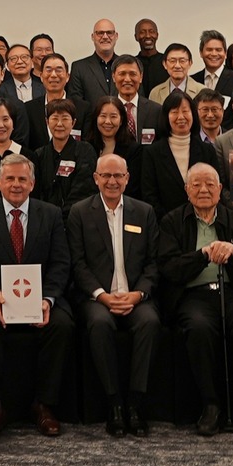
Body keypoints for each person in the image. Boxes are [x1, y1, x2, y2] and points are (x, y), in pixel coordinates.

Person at [0, 153, 74, 442]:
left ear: (32, 184)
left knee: (62, 324)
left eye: (22, 179)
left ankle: (44, 405)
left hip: (41, 297)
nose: (16, 184)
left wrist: (47, 299)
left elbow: (61, 263)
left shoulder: (51, 214)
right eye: (10, 178)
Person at [157, 163, 233, 436]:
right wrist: (203, 255)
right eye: (196, 184)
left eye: (209, 184)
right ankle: (210, 404)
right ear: (186, 190)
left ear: (220, 189)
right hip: (194, 295)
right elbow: (169, 268)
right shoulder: (172, 222)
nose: (203, 190)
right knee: (199, 328)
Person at [66, 153, 160, 437]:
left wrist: (138, 294)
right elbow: (77, 264)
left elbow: (153, 263)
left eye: (118, 175)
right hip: (97, 297)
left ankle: (135, 402)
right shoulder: (80, 212)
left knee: (150, 322)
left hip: (135, 296)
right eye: (106, 175)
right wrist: (101, 295)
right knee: (99, 323)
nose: (112, 181)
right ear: (96, 178)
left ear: (127, 178)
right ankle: (114, 403)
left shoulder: (144, 212)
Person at [138, 91, 226, 216]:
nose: (181, 117)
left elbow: (217, 189)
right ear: (166, 116)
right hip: (165, 222)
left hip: (203, 219)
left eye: (185, 111)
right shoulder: (152, 153)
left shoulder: (207, 150)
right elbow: (149, 195)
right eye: (174, 112)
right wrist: (169, 222)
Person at [35, 100, 98, 215]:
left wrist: (62, 215)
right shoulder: (39, 154)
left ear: (73, 122)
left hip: (77, 217)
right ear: (47, 122)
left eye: (65, 118)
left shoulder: (85, 150)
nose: (59, 124)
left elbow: (84, 189)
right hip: (46, 218)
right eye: (55, 118)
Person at [68, 18, 121, 104]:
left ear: (116, 36)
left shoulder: (127, 66)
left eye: (109, 32)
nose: (105, 37)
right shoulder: (79, 68)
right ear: (93, 37)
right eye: (100, 33)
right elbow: (76, 102)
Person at [148, 43, 198, 110]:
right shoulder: (155, 93)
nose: (177, 66)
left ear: (190, 63)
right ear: (164, 64)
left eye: (182, 61)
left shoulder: (201, 90)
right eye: (172, 61)